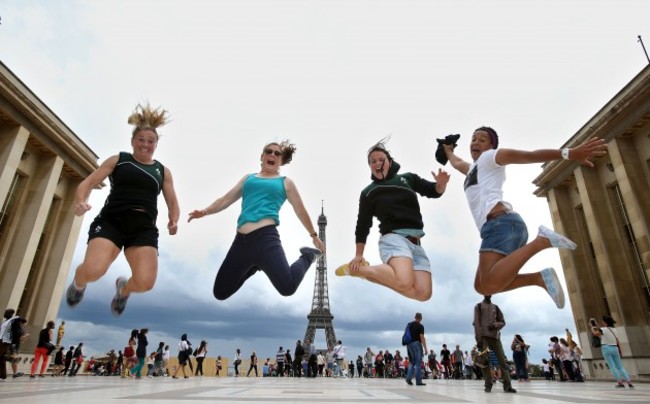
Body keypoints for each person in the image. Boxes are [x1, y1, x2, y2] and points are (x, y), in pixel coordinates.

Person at [443, 128, 607, 308]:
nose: (475, 142)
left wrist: (570, 153)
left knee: (489, 283)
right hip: (501, 227)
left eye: (482, 139)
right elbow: (457, 163)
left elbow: (529, 155)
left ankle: (542, 241)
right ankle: (539, 278)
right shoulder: (474, 169)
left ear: (491, 146)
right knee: (481, 286)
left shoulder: (492, 157)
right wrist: (448, 150)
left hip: (500, 224)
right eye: (473, 139)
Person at [65, 103, 180, 316]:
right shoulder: (119, 160)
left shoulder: (162, 171)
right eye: (141, 140)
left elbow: (173, 202)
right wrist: (80, 201)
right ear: (133, 142)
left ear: (156, 144)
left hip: (143, 228)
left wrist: (174, 220)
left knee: (146, 283)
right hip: (112, 222)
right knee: (94, 270)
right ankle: (79, 284)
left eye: (150, 141)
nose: (145, 144)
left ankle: (123, 290)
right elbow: (88, 182)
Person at [188, 140, 325, 300]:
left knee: (287, 287)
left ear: (281, 160)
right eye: (269, 151)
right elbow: (225, 199)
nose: (272, 154)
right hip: (240, 243)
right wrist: (205, 211)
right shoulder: (248, 178)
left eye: (277, 153)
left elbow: (300, 210)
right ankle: (253, 266)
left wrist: (314, 235)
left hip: (266, 240)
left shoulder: (285, 182)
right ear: (262, 156)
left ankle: (307, 256)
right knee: (221, 292)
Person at [336, 138, 449, 301]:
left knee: (423, 293)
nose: (377, 163)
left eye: (381, 160)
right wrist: (358, 254)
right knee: (404, 282)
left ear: (390, 162)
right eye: (373, 161)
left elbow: (433, 191)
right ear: (370, 167)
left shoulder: (408, 179)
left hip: (416, 244)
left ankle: (365, 272)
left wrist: (441, 184)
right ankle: (357, 268)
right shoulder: (369, 192)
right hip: (394, 239)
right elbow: (363, 224)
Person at [473, 295, 516, 394]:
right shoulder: (478, 306)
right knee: (485, 362)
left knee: (503, 361)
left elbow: (503, 321)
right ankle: (488, 385)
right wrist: (478, 339)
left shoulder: (495, 307)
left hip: (495, 337)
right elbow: (476, 323)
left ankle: (507, 386)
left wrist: (495, 325)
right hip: (483, 337)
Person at [591, 315, 634, 388]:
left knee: (612, 366)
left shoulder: (603, 329)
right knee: (620, 366)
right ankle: (629, 382)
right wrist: (620, 350)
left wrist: (592, 328)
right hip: (615, 348)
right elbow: (616, 340)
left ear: (605, 322)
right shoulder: (614, 330)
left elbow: (595, 334)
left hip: (606, 348)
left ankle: (620, 383)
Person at [0, 309, 27, 380]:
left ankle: (6, 374)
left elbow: (17, 330)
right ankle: (3, 375)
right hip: (3, 341)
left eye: (7, 313)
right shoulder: (5, 321)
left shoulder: (14, 320)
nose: (5, 314)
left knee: (3, 357)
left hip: (5, 342)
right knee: (2, 358)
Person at [404, 312, 427, 386]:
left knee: (412, 362)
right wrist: (425, 348)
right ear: (421, 318)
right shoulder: (420, 326)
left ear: (415, 317)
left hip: (409, 344)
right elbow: (422, 337)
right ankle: (418, 381)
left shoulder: (409, 325)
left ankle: (408, 378)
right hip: (417, 344)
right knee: (418, 363)